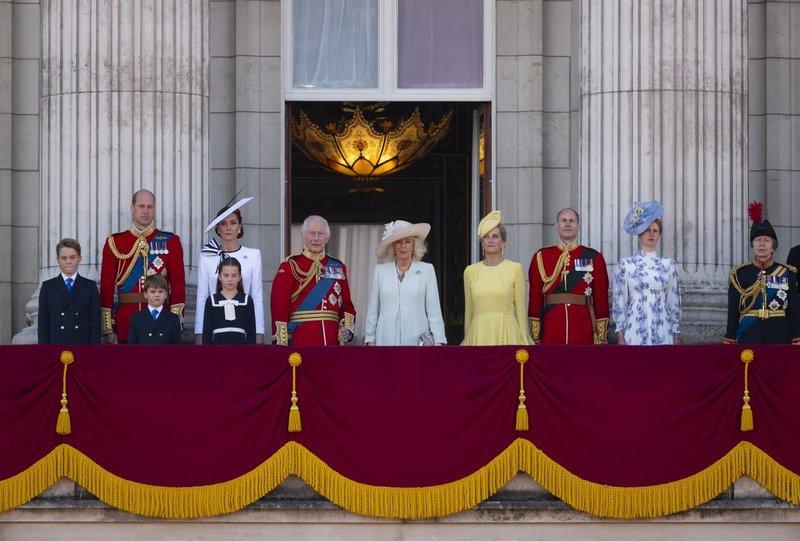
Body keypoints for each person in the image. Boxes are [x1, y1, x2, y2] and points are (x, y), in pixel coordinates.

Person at [100, 189, 186, 343]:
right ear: (132, 208)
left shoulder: (170, 241)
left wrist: (176, 321)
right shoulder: (114, 243)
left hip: (163, 324)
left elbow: (178, 285)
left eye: (150, 207)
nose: (146, 211)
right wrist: (108, 327)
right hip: (125, 323)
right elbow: (106, 288)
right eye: (141, 206)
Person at [270, 215, 356, 346]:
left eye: (320, 233)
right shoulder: (290, 265)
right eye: (312, 233)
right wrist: (282, 342)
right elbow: (279, 305)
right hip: (301, 339)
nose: (316, 238)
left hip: (332, 341)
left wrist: (347, 329)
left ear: (327, 237)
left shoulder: (337, 266)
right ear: (303, 236)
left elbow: (347, 305)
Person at [528, 208, 609, 344]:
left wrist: (600, 334)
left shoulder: (593, 257)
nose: (567, 224)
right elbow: (535, 297)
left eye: (572, 221)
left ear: (579, 226)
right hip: (552, 326)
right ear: (556, 226)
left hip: (583, 325)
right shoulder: (541, 256)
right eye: (563, 221)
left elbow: (601, 297)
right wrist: (536, 335)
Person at [724, 202, 800, 344]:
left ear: (773, 247)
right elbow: (733, 311)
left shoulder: (787, 272)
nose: (762, 244)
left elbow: (794, 309)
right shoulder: (739, 274)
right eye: (758, 240)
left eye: (766, 240)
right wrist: (730, 337)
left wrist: (797, 336)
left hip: (780, 334)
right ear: (753, 246)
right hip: (749, 333)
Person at [364, 220, 447, 346]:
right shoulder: (380, 271)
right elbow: (373, 309)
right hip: (385, 340)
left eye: (407, 242)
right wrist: (370, 340)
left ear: (414, 245)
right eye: (398, 242)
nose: (403, 246)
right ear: (393, 246)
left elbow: (433, 310)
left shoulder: (426, 270)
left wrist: (439, 341)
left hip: (416, 340)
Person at [195, 197, 264, 344]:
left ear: (240, 227)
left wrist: (259, 332)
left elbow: (257, 296)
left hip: (243, 327)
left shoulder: (253, 255)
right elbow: (202, 297)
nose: (228, 228)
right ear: (217, 229)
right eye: (223, 224)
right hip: (215, 328)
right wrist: (199, 333)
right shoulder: (207, 256)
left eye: (233, 223)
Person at [612, 201, 681, 345]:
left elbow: (674, 300)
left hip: (663, 326)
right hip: (634, 327)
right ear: (638, 234)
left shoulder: (669, 265)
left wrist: (676, 332)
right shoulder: (625, 264)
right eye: (647, 230)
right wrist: (620, 334)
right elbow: (620, 300)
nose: (651, 233)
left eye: (655, 230)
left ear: (659, 235)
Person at [461, 210, 532, 346]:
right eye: (486, 237)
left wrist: (524, 338)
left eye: (495, 236)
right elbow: (469, 312)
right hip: (479, 333)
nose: (491, 240)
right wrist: (467, 339)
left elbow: (521, 311)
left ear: (503, 241)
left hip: (507, 332)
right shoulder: (470, 271)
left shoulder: (515, 269)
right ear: (482, 243)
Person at [38, 238, 101, 345]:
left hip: (82, 345)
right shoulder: (48, 287)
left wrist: (93, 350)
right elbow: (43, 324)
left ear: (79, 258)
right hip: (55, 345)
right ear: (57, 259)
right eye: (64, 258)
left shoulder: (90, 286)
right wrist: (44, 351)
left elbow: (96, 323)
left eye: (72, 257)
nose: (68, 262)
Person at [202, 257, 257, 345]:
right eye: (226, 275)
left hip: (241, 351)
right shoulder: (211, 301)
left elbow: (251, 333)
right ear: (219, 276)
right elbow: (206, 334)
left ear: (239, 277)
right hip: (217, 351)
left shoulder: (247, 300)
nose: (230, 279)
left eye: (234, 275)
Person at [127, 274, 183, 344]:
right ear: (145, 294)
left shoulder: (173, 319)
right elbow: (132, 347)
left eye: (160, 291)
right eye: (153, 291)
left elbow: (176, 347)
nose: (157, 295)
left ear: (165, 295)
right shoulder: (136, 318)